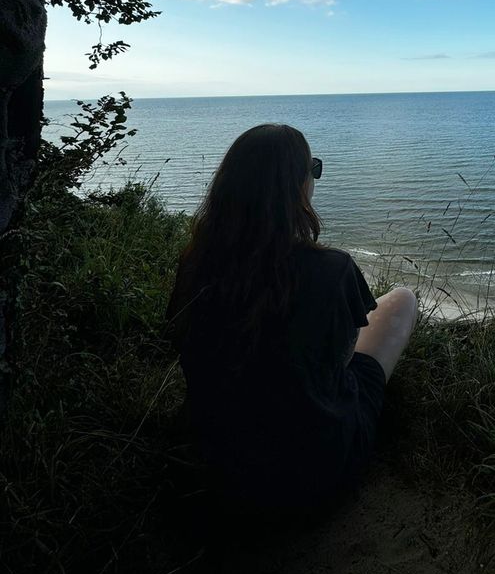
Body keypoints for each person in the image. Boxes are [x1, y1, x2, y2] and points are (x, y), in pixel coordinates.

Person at [164, 123, 418, 522]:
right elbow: (343, 356)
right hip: (313, 471)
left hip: (216, 464)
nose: (313, 178)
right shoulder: (331, 269)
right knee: (401, 299)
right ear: (296, 185)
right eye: (312, 168)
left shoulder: (196, 264)